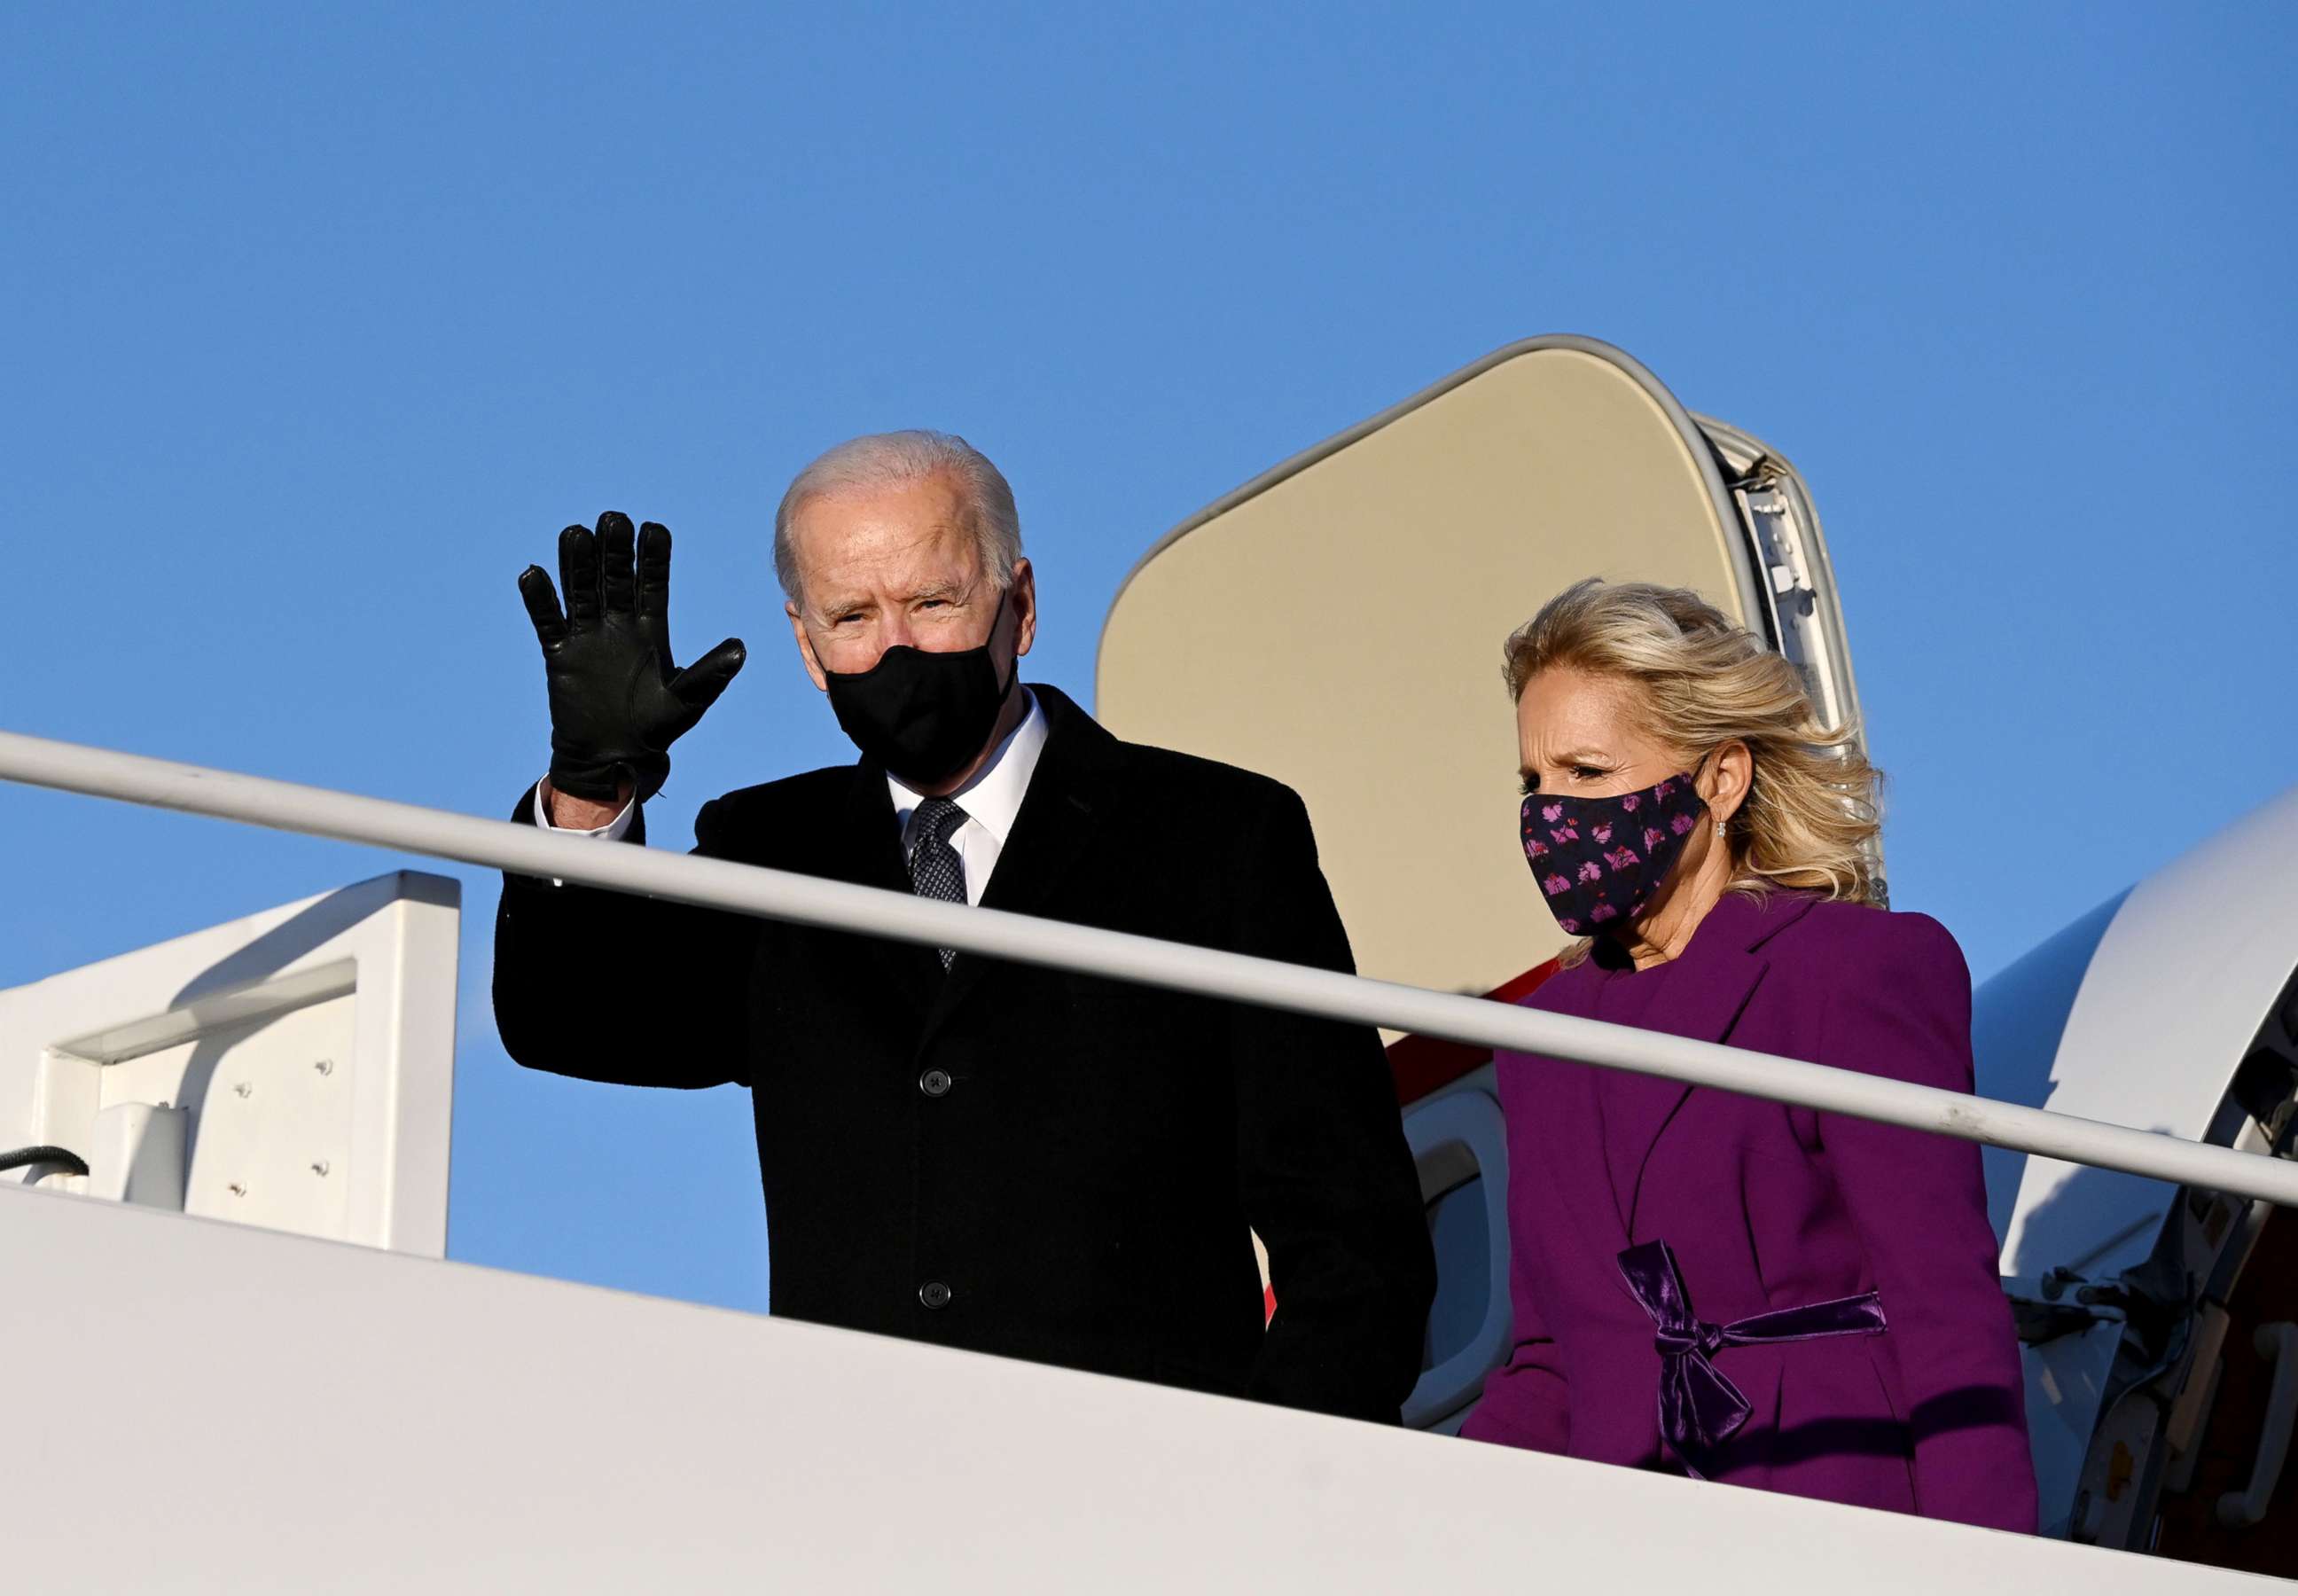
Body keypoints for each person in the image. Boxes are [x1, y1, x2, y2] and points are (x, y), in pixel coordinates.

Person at [492, 431, 1434, 1422]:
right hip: (865, 1498)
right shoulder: (771, 850)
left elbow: (1352, 1233)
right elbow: (566, 1018)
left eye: (932, 602)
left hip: (1153, 1503)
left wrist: (1273, 1486)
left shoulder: (1215, 839)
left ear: (1018, 606)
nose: (894, 646)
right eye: (852, 616)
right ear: (808, 649)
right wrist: (589, 798)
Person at [1458, 579, 2036, 1530]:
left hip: (1832, 1502)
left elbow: (1944, 1304)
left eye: (1588, 774)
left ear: (1721, 779)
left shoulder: (1853, 971)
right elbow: (1551, 1359)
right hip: (1621, 1541)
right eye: (1535, 783)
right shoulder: (1541, 1039)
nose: (1550, 815)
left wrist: (1994, 1569)